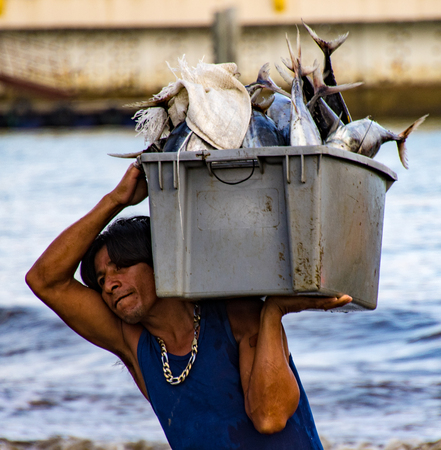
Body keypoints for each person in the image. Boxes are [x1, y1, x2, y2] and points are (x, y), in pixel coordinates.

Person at [26, 162, 352, 450]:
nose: (109, 285)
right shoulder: (133, 342)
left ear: (161, 263)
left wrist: (272, 312)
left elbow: (270, 417)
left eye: (121, 267)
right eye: (100, 278)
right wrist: (116, 200)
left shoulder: (236, 315)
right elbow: (44, 280)